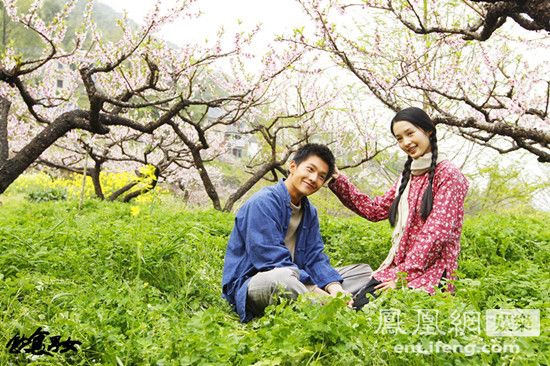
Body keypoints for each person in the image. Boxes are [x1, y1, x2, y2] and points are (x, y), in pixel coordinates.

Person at [328, 107, 469, 308]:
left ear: (428, 130)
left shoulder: (448, 175)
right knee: (353, 308)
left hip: (431, 273)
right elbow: (375, 209)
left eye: (410, 133)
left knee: (376, 316)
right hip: (398, 269)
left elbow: (437, 233)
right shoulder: (407, 176)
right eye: (399, 138)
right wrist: (338, 180)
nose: (406, 143)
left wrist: (402, 278)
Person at [222, 143, 372, 322]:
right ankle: (328, 308)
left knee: (364, 272)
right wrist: (316, 291)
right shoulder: (263, 202)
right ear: (292, 167)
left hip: (297, 277)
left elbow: (315, 257)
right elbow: (271, 261)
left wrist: (335, 289)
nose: (313, 178)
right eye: (310, 169)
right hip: (258, 282)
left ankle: (326, 301)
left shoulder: (310, 212)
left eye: (321, 176)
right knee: (284, 278)